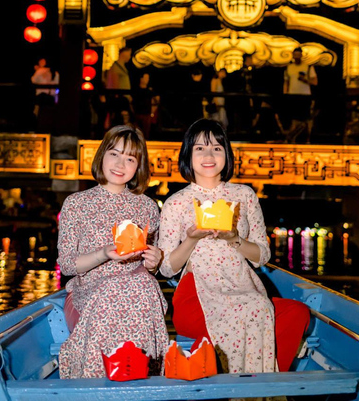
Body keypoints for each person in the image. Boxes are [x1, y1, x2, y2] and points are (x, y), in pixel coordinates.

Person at [157, 119, 309, 374]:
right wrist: (192, 239)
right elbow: (166, 268)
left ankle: (262, 387)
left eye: (217, 148)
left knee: (296, 312)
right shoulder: (177, 202)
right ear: (188, 155)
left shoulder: (244, 195)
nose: (209, 155)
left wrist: (233, 239)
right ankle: (245, 386)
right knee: (254, 310)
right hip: (197, 293)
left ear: (226, 155)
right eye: (199, 148)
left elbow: (262, 256)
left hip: (243, 288)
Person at [57, 125, 168, 378]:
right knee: (119, 288)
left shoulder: (148, 207)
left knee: (142, 283)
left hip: (137, 293)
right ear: (101, 156)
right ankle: (98, 379)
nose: (120, 163)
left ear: (138, 167)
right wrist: (104, 253)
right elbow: (67, 266)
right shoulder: (76, 204)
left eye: (130, 158)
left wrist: (154, 261)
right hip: (90, 292)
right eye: (114, 153)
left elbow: (151, 267)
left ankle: (138, 377)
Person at [283, 47, 317, 143]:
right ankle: (291, 138)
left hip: (305, 96)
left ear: (301, 55)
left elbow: (315, 82)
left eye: (299, 55)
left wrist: (305, 80)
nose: (297, 57)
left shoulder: (308, 67)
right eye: (295, 55)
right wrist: (285, 93)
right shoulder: (289, 67)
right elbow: (286, 82)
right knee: (293, 119)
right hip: (293, 95)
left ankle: (307, 139)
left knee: (305, 119)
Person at [105, 47, 133, 126]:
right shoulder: (116, 67)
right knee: (120, 119)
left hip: (123, 98)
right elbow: (115, 84)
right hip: (120, 99)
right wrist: (118, 95)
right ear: (124, 53)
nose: (129, 57)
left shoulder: (120, 67)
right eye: (129, 54)